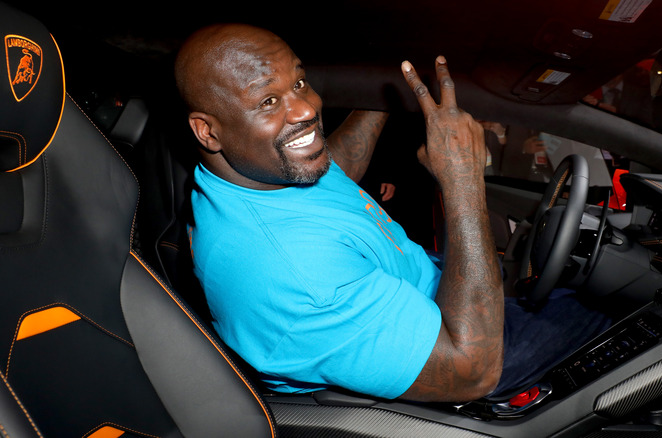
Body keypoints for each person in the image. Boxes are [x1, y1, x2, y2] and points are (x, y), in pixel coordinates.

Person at [175, 23, 609, 402]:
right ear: (207, 130)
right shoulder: (292, 276)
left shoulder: (252, 175)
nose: (306, 109)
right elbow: (473, 370)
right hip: (466, 348)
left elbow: (333, 172)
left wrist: (381, 96)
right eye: (269, 102)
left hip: (433, 298)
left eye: (300, 83)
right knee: (629, 325)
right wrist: (462, 180)